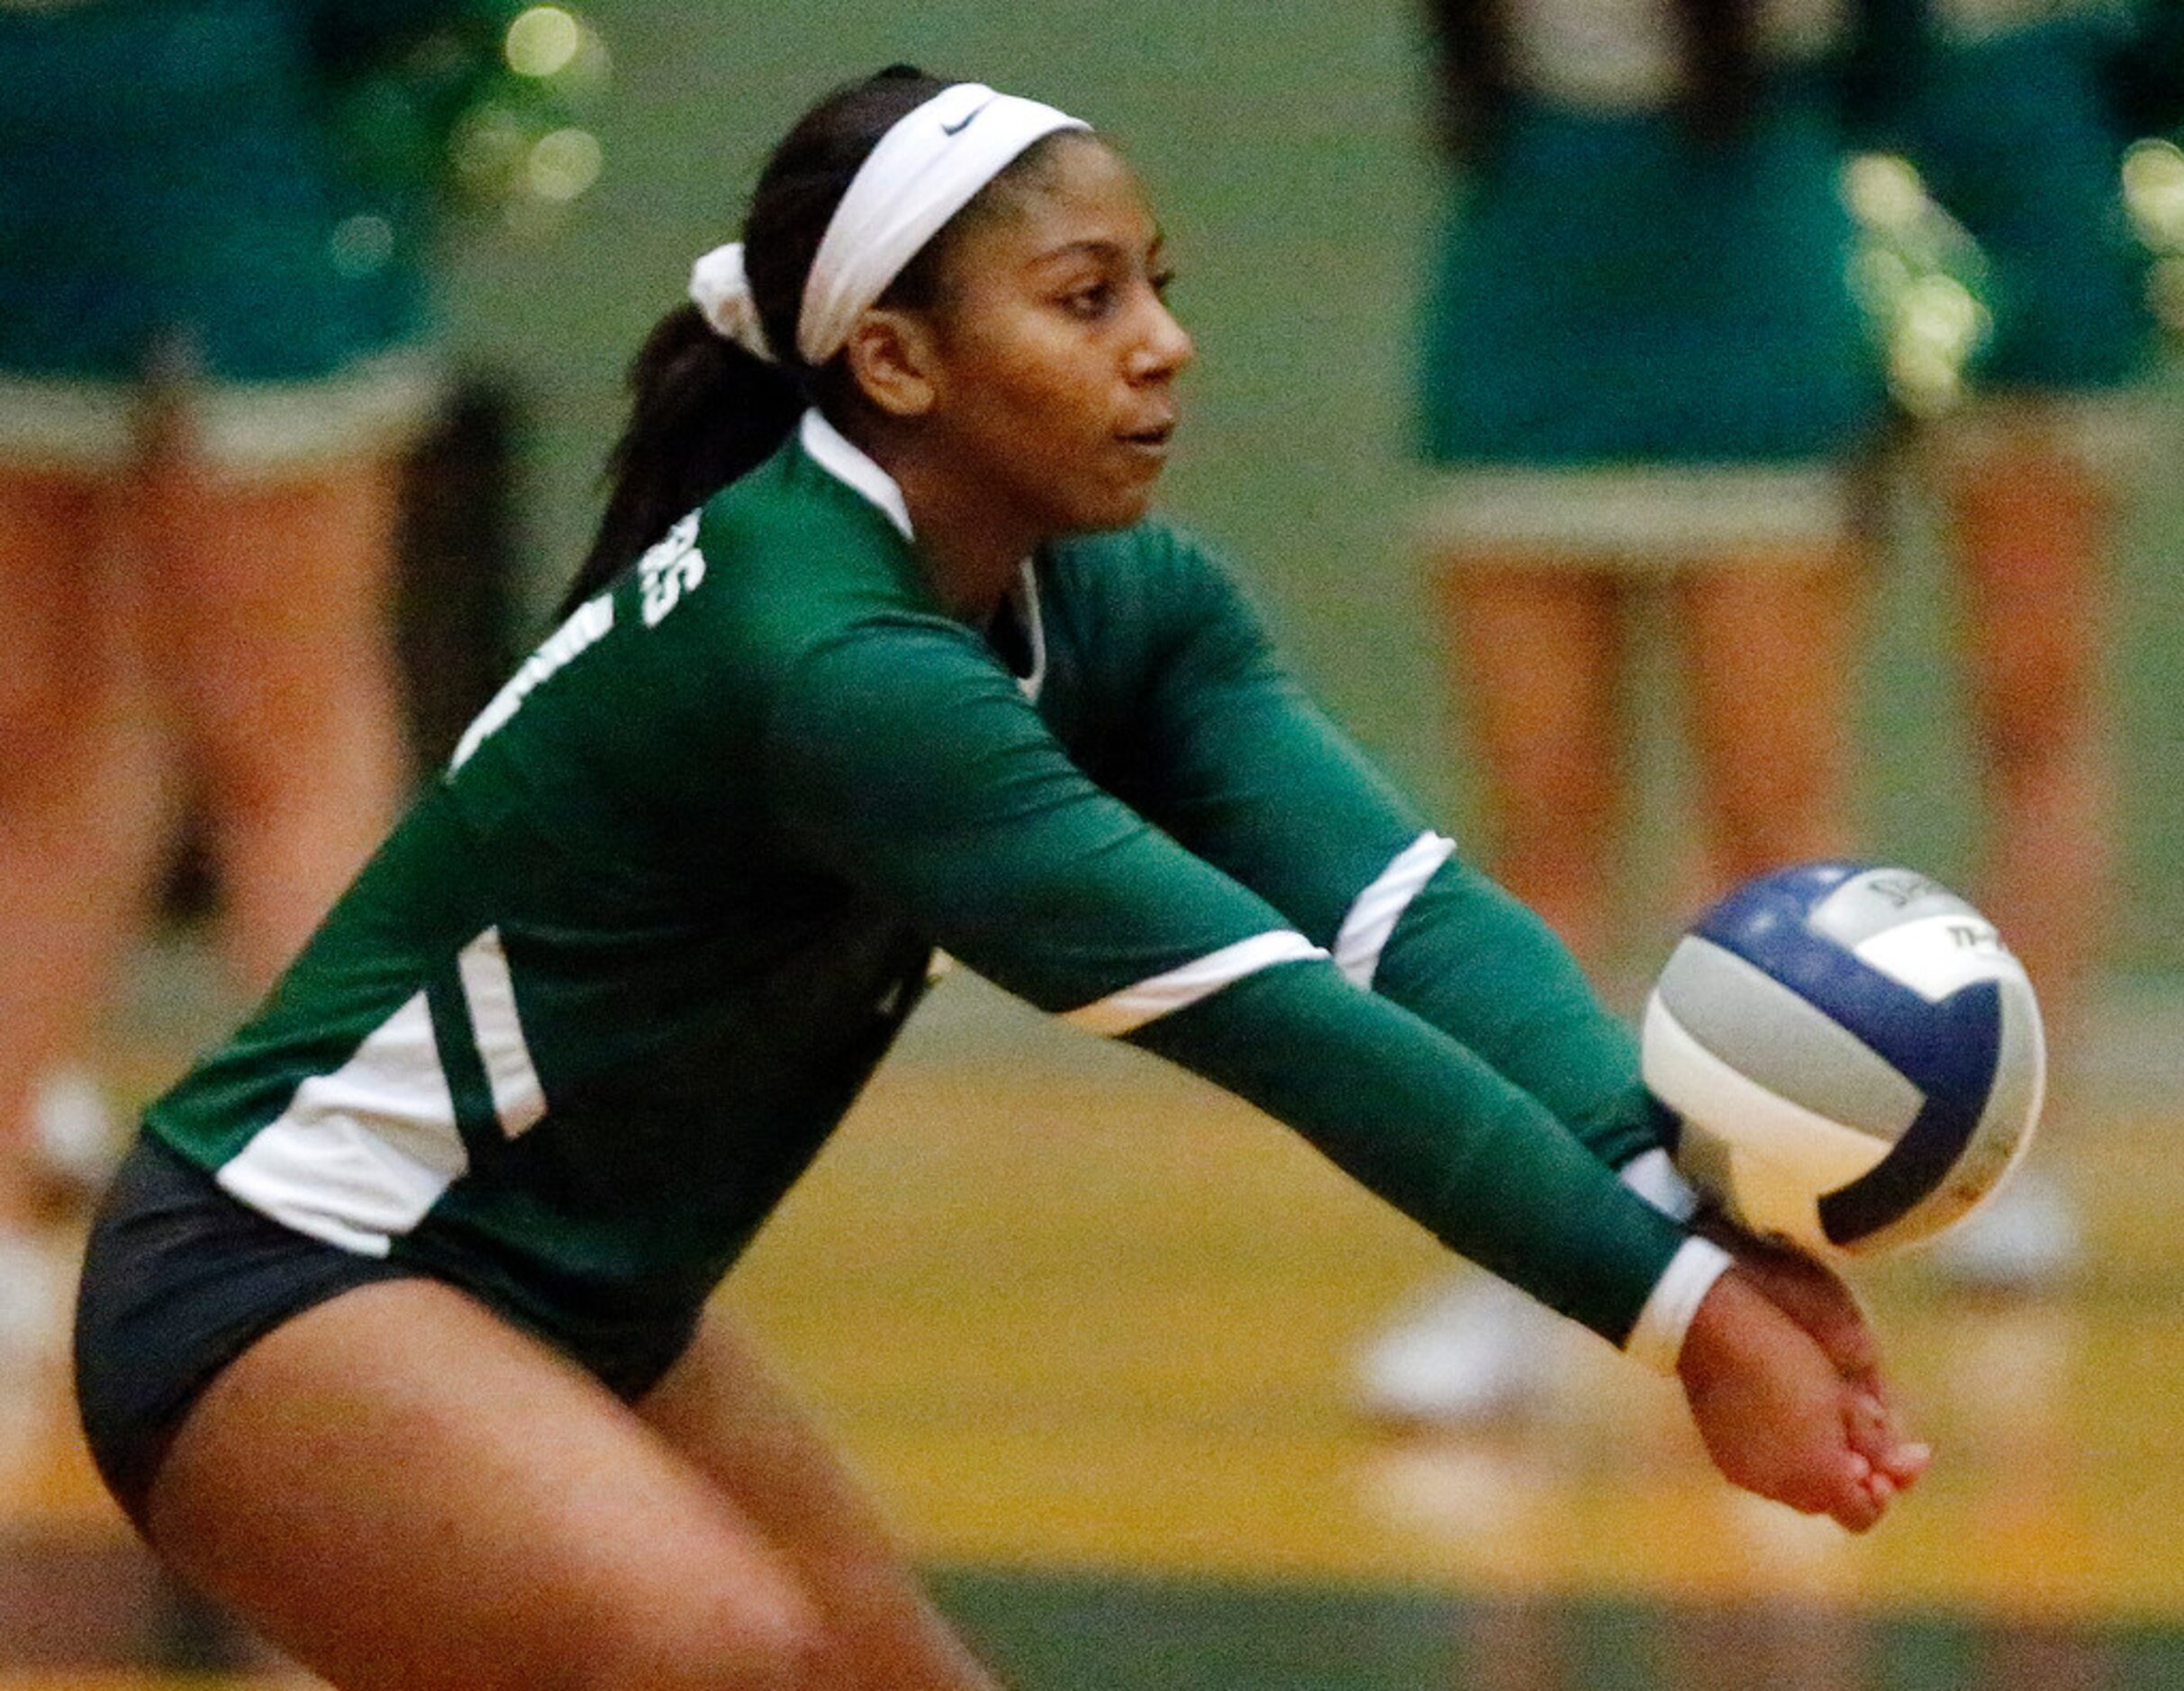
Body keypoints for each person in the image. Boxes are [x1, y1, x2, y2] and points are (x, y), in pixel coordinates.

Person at [73, 68, 1928, 1690]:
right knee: (708, 1658)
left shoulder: (1119, 602)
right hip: (289, 1269)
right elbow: (1282, 1020)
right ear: (896, 360)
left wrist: (1681, 1207)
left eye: (1158, 287)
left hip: (572, 1290)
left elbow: (1402, 922)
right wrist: (1678, 1322)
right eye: (1085, 297)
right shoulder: (827, 659)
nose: (1162, 340)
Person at [1359, 0, 1895, 1424]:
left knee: (1773, 837)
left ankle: (1785, 1279)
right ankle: (1519, 1271)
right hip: (1529, 289)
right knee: (1536, 847)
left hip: (1751, 286)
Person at [0, 0, 452, 1360]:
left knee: (271, 738)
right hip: (67, 139)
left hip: (249, 138)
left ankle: (347, 1236)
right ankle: (37, 1178)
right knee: (52, 727)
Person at [1893, 0, 2173, 1292]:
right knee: (1754, 756)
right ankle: (1730, 1118)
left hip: (2040, 323)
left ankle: (2016, 1148)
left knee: (2032, 714)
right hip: (1790, 311)